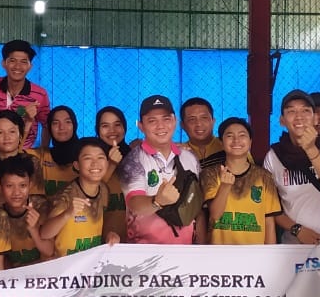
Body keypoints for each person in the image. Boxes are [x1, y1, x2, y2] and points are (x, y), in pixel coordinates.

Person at [263, 91, 320, 252]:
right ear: (282, 120)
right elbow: (270, 207)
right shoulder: (274, 156)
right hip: (294, 248)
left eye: (305, 111)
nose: (299, 117)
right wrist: (297, 230)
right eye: (291, 111)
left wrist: (310, 148)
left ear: (315, 118)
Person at [118, 95, 201, 244]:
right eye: (152, 121)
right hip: (145, 251)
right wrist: (157, 201)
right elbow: (135, 204)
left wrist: (201, 244)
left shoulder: (189, 157)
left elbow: (197, 204)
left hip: (186, 250)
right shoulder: (133, 160)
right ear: (141, 126)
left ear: (175, 121)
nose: (161, 126)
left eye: (166, 119)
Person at [202, 118, 280, 245]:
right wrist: (225, 187)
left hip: (254, 251)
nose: (236, 140)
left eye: (242, 135)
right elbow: (215, 215)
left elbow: (269, 222)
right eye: (229, 136)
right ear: (221, 142)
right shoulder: (210, 174)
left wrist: (269, 253)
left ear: (250, 142)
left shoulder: (264, 176)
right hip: (219, 251)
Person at [40, 138, 121, 257]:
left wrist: (109, 235)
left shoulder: (103, 190)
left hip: (89, 263)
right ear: (77, 165)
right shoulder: (66, 196)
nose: (95, 163)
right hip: (65, 265)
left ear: (107, 163)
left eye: (100, 157)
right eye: (88, 158)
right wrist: (68, 213)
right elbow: (45, 234)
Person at [0, 39, 49, 149]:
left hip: (24, 152)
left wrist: (43, 151)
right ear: (3, 63)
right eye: (12, 60)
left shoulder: (40, 94)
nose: (17, 66)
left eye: (23, 62)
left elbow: (47, 125)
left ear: (30, 66)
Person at [0, 155, 46, 267]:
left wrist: (33, 229)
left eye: (22, 185)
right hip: (12, 274)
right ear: (0, 187)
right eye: (9, 186)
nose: (16, 192)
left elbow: (49, 252)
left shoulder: (42, 206)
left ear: (30, 185)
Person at [0, 109, 42, 195]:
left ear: (20, 136)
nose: (7, 137)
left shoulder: (32, 162)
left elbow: (37, 197)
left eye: (12, 131)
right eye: (0, 132)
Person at [95, 106, 130, 242]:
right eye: (105, 126)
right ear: (97, 130)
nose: (112, 131)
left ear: (124, 127)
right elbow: (90, 190)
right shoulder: (92, 157)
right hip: (104, 240)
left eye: (117, 125)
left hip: (136, 239)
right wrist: (112, 164)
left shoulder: (135, 156)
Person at [34, 106, 79, 196]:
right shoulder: (40, 156)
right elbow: (12, 156)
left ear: (74, 125)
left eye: (67, 122)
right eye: (55, 123)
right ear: (49, 128)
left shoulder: (85, 154)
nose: (61, 127)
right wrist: (27, 123)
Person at [179, 97, 225, 170]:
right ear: (182, 125)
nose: (199, 124)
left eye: (204, 118)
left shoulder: (227, 147)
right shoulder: (179, 153)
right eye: (192, 119)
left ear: (213, 121)